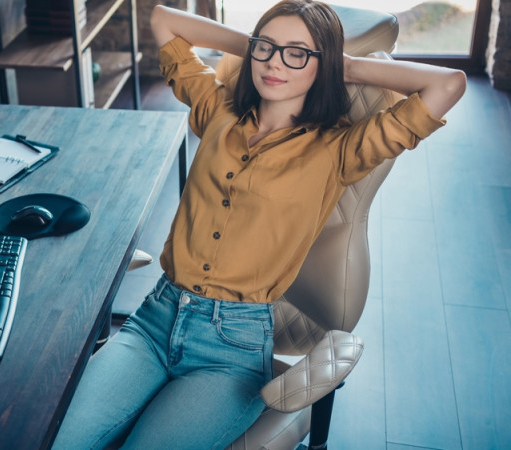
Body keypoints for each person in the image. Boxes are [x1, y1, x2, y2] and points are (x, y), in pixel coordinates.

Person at [52, 1, 467, 448]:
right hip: (154, 320)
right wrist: (259, 48)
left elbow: (448, 84)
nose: (274, 63)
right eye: (266, 48)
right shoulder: (219, 111)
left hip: (231, 351)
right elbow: (164, 21)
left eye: (297, 53)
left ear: (322, 65)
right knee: (52, 438)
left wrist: (343, 66)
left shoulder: (340, 149)